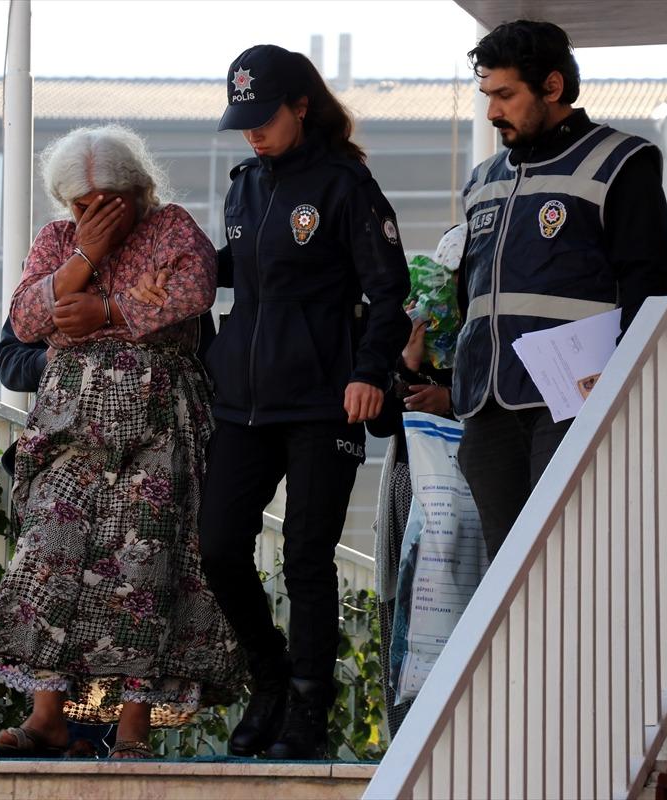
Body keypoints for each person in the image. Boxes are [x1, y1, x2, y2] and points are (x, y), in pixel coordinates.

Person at [0, 125, 243, 760]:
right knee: (49, 553)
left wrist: (105, 312)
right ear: (64, 203)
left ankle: (131, 729)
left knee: (145, 565)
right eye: (82, 206)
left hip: (159, 422)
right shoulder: (56, 240)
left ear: (141, 190)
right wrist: (84, 259)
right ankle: (46, 716)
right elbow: (28, 318)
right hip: (71, 425)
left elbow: (192, 289)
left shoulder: (173, 226)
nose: (96, 214)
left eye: (112, 202)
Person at [189, 44, 411, 760]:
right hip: (241, 403)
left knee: (306, 560)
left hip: (324, 401)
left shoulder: (346, 185)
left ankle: (310, 713)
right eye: (243, 119)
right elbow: (233, 270)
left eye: (264, 117)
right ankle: (271, 681)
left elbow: (389, 292)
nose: (252, 131)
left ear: (301, 107)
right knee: (217, 547)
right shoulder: (243, 185)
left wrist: (370, 371)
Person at [453, 20, 667, 560]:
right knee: (504, 573)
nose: (492, 112)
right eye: (488, 96)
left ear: (552, 88)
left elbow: (651, 284)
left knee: (568, 560)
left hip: (573, 400)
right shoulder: (482, 179)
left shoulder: (621, 161)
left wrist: (618, 384)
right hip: (486, 405)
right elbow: (472, 297)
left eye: (506, 95)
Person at [367, 224, 466, 737]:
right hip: (413, 486)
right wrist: (408, 363)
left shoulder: (494, 332)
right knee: (406, 604)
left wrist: (452, 401)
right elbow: (380, 420)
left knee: (467, 606)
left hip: (471, 498)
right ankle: (407, 740)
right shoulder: (415, 326)